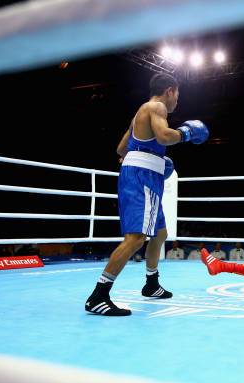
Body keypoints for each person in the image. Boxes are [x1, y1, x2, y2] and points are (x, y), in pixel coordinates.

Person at [85, 74, 209, 316]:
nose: (177, 102)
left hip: (145, 175)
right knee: (136, 238)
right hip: (141, 177)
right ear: (170, 91)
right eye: (178, 96)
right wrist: (186, 133)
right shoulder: (156, 106)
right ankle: (98, 295)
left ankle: (152, 284)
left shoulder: (139, 114)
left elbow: (121, 148)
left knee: (160, 232)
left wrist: (153, 158)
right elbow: (164, 137)